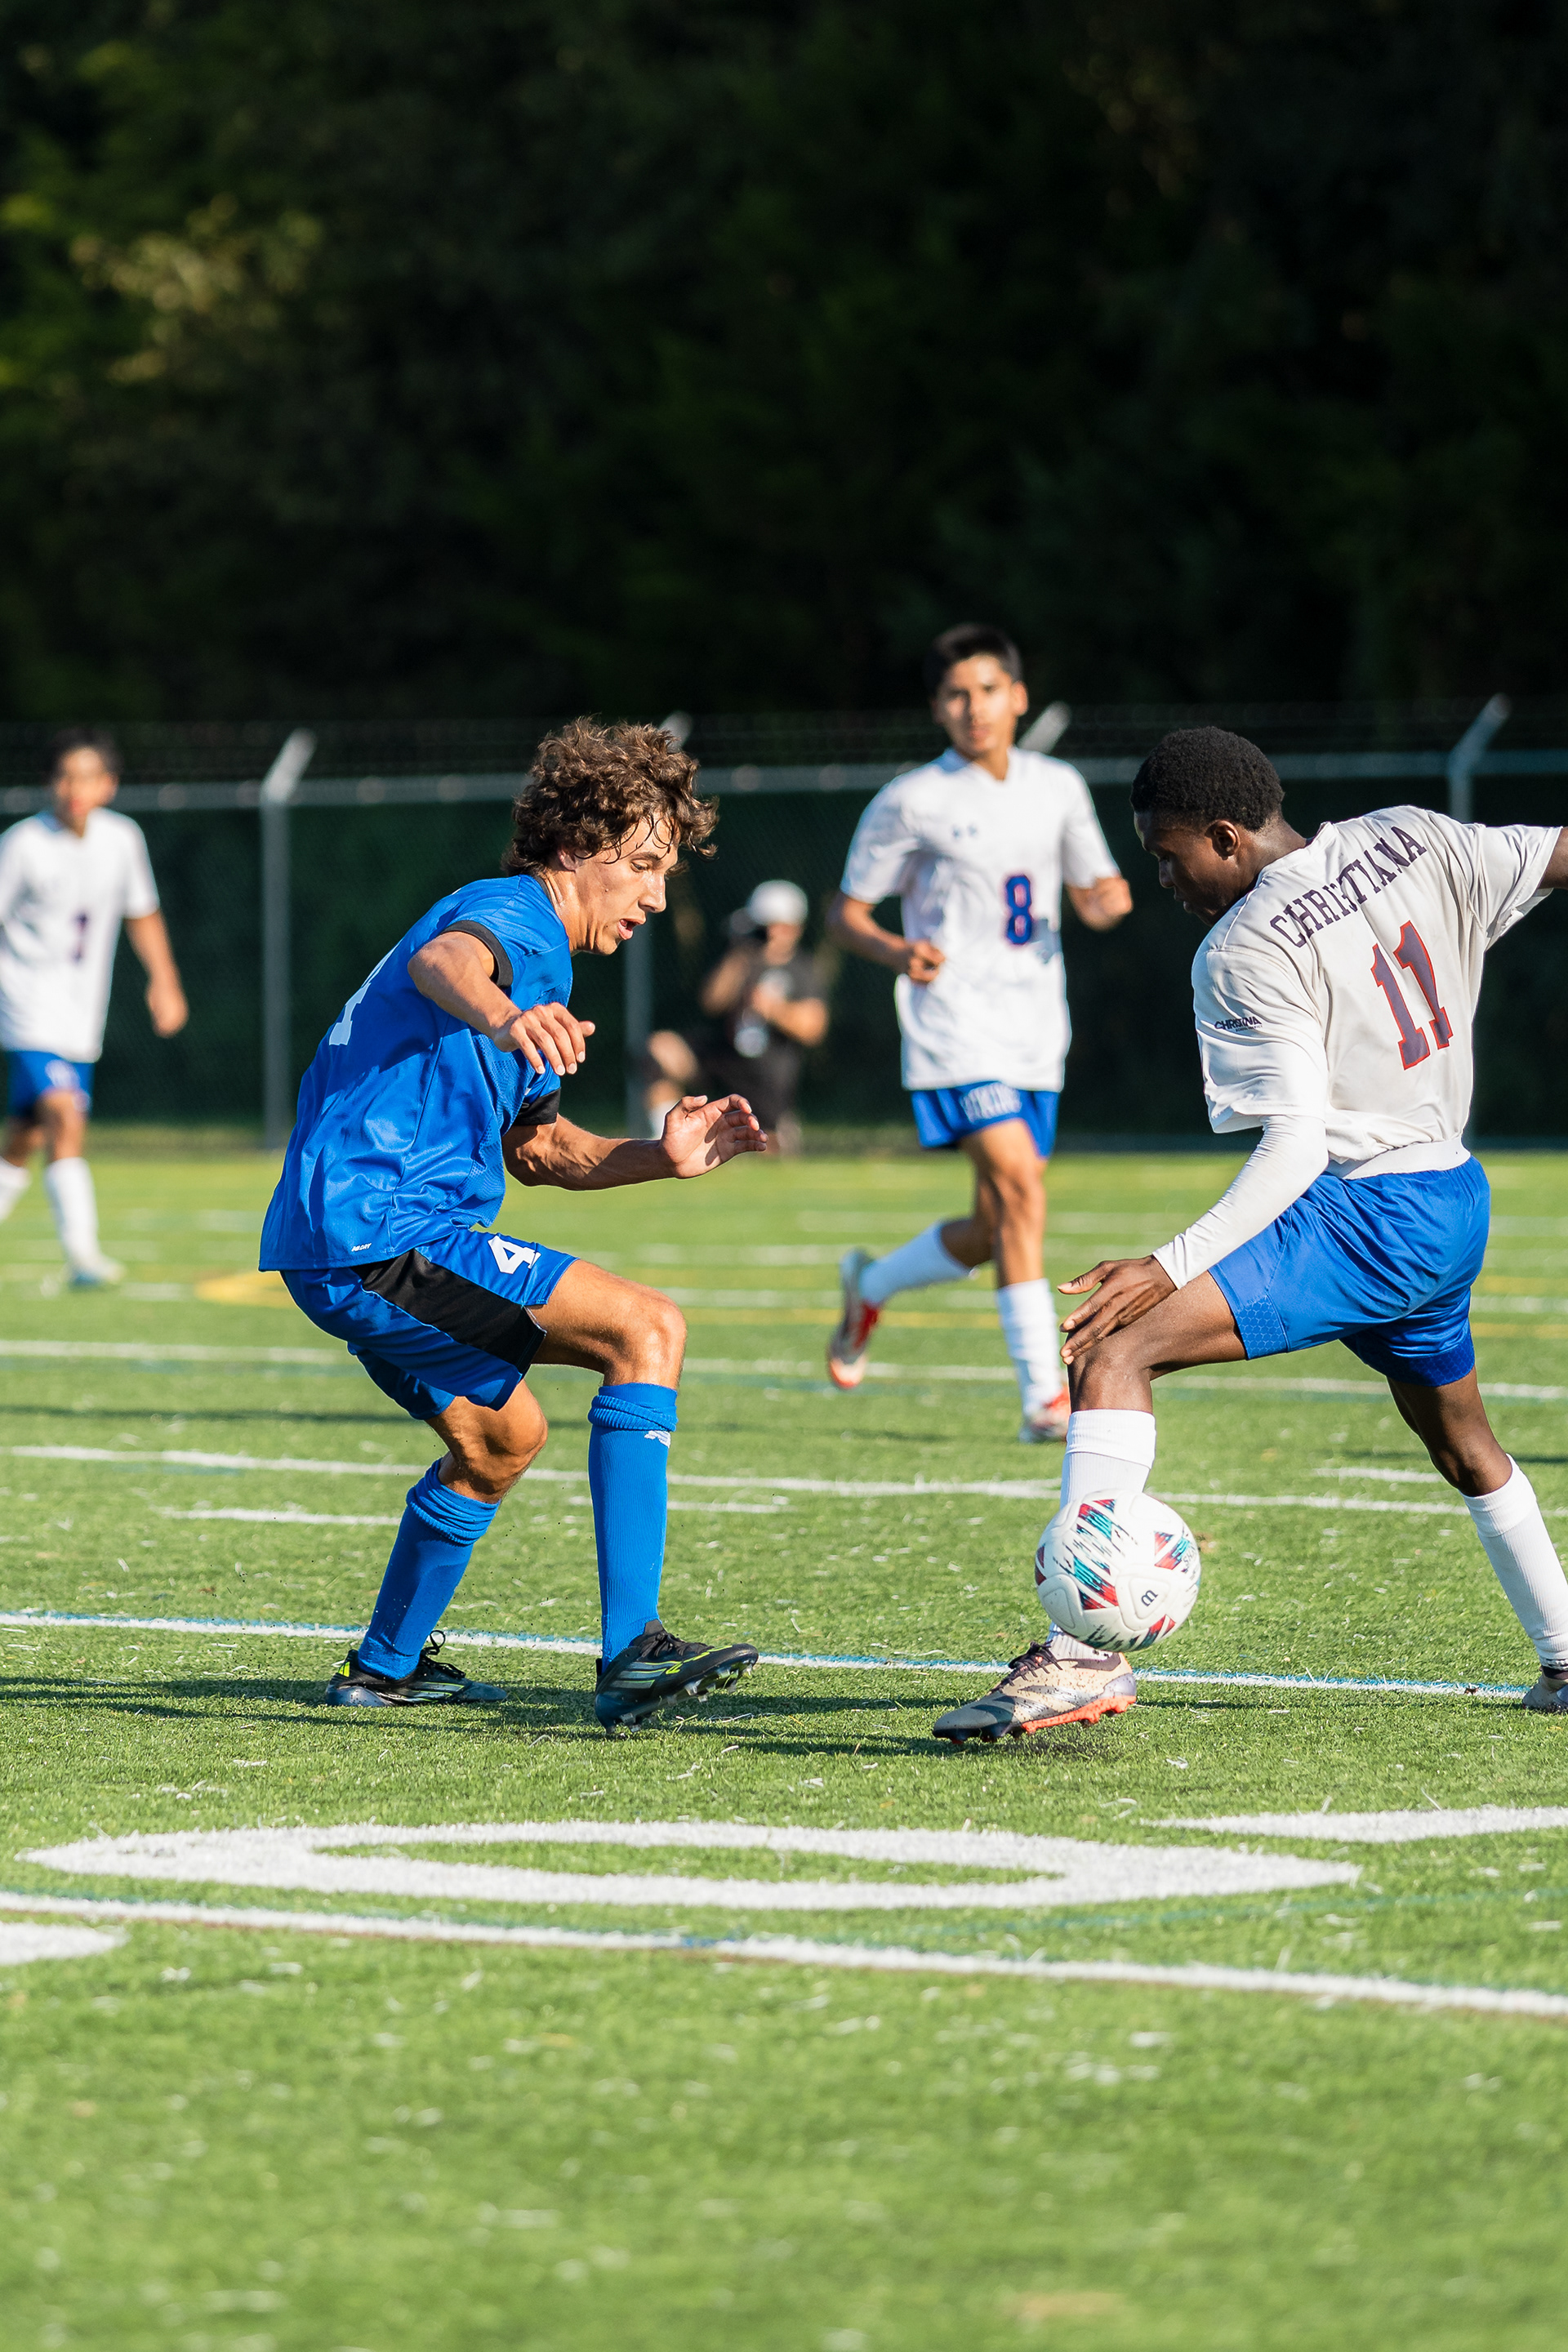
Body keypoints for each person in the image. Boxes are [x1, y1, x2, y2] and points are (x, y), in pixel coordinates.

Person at [932, 725, 1568, 1744]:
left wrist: (1167, 1263)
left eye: (1167, 854)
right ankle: (1565, 1655)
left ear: (1226, 837)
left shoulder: (1244, 946)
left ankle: (1081, 1659)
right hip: (1450, 1198)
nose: (1164, 880)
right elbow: (1557, 853)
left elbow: (1297, 1144)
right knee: (1464, 1444)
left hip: (1369, 1213)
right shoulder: (1412, 834)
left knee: (1112, 1346)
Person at [258, 719, 766, 1729]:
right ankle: (633, 1651)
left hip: (351, 1241)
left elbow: (539, 1151)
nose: (657, 897)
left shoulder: (544, 966)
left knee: (500, 1439)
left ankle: (385, 1668)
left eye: (665, 873)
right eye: (644, 867)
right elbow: (444, 962)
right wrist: (502, 1013)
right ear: (577, 847)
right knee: (647, 1330)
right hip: (385, 1232)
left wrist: (659, 1157)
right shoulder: (516, 919)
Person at [825, 622, 1131, 1439]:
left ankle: (872, 1286)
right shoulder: (913, 799)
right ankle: (1045, 1397)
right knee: (1022, 1190)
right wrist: (897, 950)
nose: (975, 707)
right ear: (937, 708)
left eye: (989, 690)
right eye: (956, 695)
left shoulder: (1058, 786)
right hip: (955, 1026)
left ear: (1018, 696)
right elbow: (845, 914)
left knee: (998, 1226)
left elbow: (1097, 887)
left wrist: (1108, 901)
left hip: (1037, 1028)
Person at [0, 726, 188, 1286]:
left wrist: (165, 980)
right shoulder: (23, 845)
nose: (73, 788)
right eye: (63, 776)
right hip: (24, 1004)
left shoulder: (122, 839)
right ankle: (83, 1257)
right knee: (65, 1114)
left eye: (86, 777)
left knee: (26, 1137)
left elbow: (142, 912)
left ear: (109, 784)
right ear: (48, 783)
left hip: (81, 1014)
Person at [644, 879, 828, 1151]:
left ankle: (780, 1128)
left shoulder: (803, 969)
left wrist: (774, 1009)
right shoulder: (742, 960)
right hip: (724, 1055)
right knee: (658, 1051)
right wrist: (738, 954)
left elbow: (814, 1028)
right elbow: (711, 1002)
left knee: (763, 1147)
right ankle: (665, 1143)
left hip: (767, 1074)